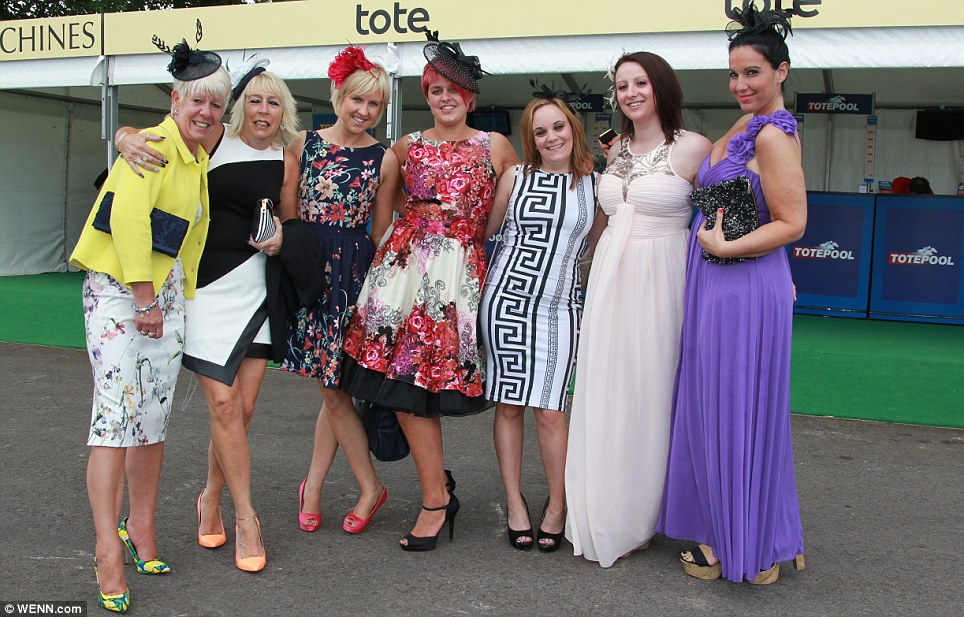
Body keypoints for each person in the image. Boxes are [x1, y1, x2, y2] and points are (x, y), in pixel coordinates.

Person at [116, 59, 300, 572]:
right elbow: (158, 130)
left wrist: (284, 236)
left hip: (257, 291)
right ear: (241, 104)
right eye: (256, 100)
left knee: (241, 412)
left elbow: (290, 214)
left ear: (284, 108)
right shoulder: (214, 137)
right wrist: (122, 135)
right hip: (204, 288)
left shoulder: (289, 154)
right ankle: (247, 517)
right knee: (222, 405)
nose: (264, 110)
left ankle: (210, 497)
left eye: (274, 101)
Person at [339, 33, 518, 552]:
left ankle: (438, 497)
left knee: (428, 391)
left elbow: (520, 206)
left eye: (454, 90)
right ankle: (436, 495)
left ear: (471, 98)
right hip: (402, 280)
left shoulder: (495, 146)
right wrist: (394, 269)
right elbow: (381, 219)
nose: (444, 98)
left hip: (461, 282)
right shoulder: (405, 146)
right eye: (435, 89)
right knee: (402, 391)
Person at [69, 36, 229, 612]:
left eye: (216, 104)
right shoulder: (155, 147)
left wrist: (169, 297)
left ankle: (141, 530)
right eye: (197, 101)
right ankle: (105, 549)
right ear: (175, 99)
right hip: (124, 293)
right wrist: (143, 299)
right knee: (115, 417)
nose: (206, 112)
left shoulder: (198, 155)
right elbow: (131, 222)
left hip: (162, 297)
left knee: (153, 419)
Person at [657, 4, 808, 585]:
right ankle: (767, 529)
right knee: (723, 405)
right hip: (721, 283)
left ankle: (742, 541)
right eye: (734, 73)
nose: (741, 84)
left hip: (741, 282)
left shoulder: (772, 135)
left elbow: (793, 222)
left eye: (753, 73)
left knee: (736, 407)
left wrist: (723, 250)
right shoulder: (745, 128)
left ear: (782, 72)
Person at [565, 51, 712, 568]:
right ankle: (609, 504)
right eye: (622, 86)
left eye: (640, 83)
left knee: (654, 390)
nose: (630, 93)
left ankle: (648, 512)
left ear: (661, 87)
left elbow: (724, 217)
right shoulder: (617, 149)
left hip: (663, 278)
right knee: (609, 387)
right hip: (610, 278)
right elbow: (606, 217)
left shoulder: (694, 148)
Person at [280, 46, 398, 535]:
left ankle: (356, 487)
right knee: (334, 388)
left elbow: (381, 230)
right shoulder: (300, 143)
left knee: (334, 387)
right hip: (308, 267)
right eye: (357, 99)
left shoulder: (383, 156)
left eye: (374, 105)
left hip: (356, 273)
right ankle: (324, 484)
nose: (364, 111)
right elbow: (287, 214)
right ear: (338, 94)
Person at [480, 96, 602, 553]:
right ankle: (514, 503)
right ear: (530, 140)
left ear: (573, 127)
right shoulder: (516, 177)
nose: (551, 138)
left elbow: (595, 249)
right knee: (509, 405)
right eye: (540, 132)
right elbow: (488, 232)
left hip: (560, 308)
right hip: (506, 301)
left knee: (550, 411)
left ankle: (556, 505)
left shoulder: (596, 186)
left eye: (558, 127)